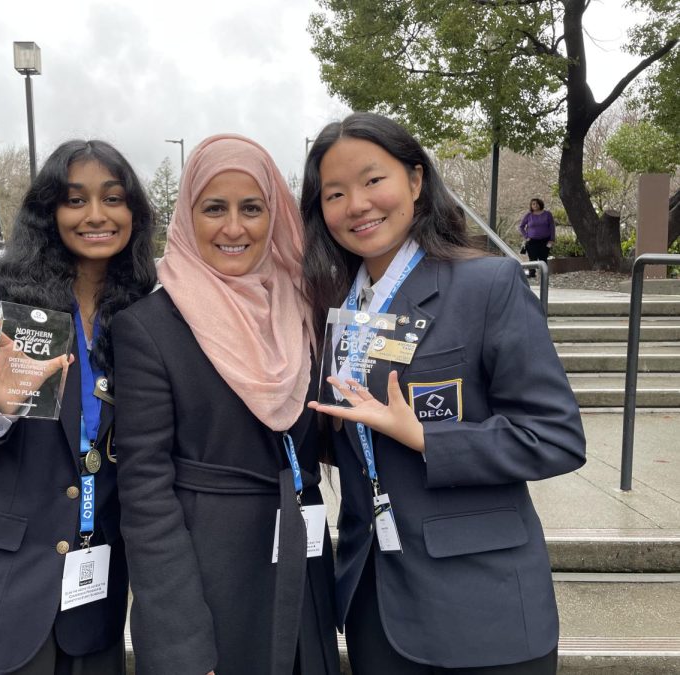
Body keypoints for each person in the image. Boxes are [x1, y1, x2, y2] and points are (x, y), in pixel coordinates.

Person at [300, 112, 586, 674]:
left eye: (372, 180)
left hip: (482, 606)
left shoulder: (488, 285)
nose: (357, 204)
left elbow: (556, 437)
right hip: (373, 599)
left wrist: (427, 438)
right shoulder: (333, 310)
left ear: (415, 180)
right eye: (335, 193)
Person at [0, 139, 156, 674]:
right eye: (75, 200)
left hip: (94, 596)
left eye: (113, 199)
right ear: (48, 211)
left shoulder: (144, 312)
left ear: (134, 213)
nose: (96, 215)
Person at [113, 135, 339, 675]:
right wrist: (180, 637)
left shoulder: (306, 309)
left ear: (275, 214)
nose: (234, 228)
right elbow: (145, 491)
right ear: (188, 218)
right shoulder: (149, 328)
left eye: (251, 208)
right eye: (214, 208)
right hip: (211, 583)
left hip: (301, 567)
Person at [519, 198, 555, 278]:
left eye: (536, 203)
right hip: (532, 241)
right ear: (531, 206)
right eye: (533, 204)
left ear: (540, 204)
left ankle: (544, 275)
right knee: (532, 258)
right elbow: (521, 227)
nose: (535, 205)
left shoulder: (547, 214)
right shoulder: (528, 215)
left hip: (545, 240)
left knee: (543, 258)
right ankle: (532, 274)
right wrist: (526, 237)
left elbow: (552, 227)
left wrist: (552, 239)